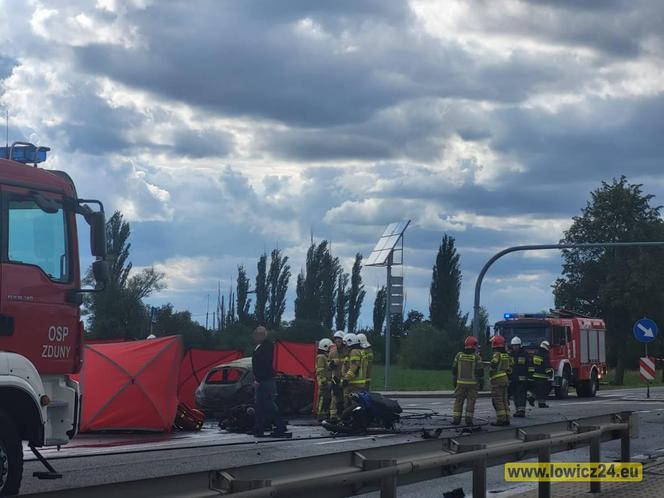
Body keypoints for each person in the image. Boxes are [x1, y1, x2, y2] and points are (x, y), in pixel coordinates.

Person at [251, 326, 290, 438]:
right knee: (260, 406)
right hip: (261, 380)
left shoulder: (267, 346)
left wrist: (259, 379)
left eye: (258, 334)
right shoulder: (259, 347)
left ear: (263, 335)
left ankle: (280, 426)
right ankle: (259, 428)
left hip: (265, 380)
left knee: (268, 405)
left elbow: (265, 364)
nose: (256, 336)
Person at [451, 336, 484, 425]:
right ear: (474, 346)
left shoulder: (459, 355)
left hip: (460, 383)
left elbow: (454, 369)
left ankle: (456, 419)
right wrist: (481, 382)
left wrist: (454, 379)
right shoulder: (476, 357)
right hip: (472, 384)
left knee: (458, 401)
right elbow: (480, 372)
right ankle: (468, 420)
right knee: (471, 401)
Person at [489, 335, 512, 426]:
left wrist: (490, 367)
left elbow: (494, 363)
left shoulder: (497, 354)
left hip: (497, 380)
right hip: (505, 378)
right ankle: (507, 418)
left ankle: (501, 419)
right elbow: (511, 364)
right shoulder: (506, 355)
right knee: (504, 400)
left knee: (498, 400)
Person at [327, 330, 347, 421]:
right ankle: (333, 416)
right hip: (335, 378)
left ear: (343, 341)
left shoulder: (347, 351)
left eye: (339, 341)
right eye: (336, 341)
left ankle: (344, 415)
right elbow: (328, 365)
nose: (337, 342)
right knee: (334, 397)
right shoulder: (332, 352)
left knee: (344, 398)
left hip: (345, 378)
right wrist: (330, 365)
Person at [509, 336, 530, 418]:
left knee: (521, 394)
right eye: (514, 345)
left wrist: (529, 377)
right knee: (515, 395)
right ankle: (518, 409)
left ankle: (521, 411)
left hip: (522, 379)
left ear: (520, 345)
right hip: (513, 378)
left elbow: (529, 365)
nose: (515, 347)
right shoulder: (511, 355)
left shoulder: (525, 354)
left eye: (516, 345)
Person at [528, 340, 554, 408]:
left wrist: (531, 374)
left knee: (537, 389)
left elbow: (532, 364)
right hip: (542, 376)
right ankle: (541, 403)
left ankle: (532, 398)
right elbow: (546, 365)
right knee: (543, 390)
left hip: (535, 375)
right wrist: (550, 373)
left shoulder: (536, 353)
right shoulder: (545, 355)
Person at [342, 333, 365, 404]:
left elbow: (354, 367)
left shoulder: (354, 352)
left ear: (350, 342)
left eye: (345, 344)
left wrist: (346, 379)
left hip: (354, 384)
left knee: (353, 404)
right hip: (356, 383)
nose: (344, 346)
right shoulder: (359, 351)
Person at [315, 338, 333, 422]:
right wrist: (323, 381)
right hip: (324, 381)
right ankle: (320, 415)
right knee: (323, 398)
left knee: (326, 398)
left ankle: (324, 414)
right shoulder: (321, 357)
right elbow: (320, 370)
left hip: (327, 380)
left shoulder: (324, 356)